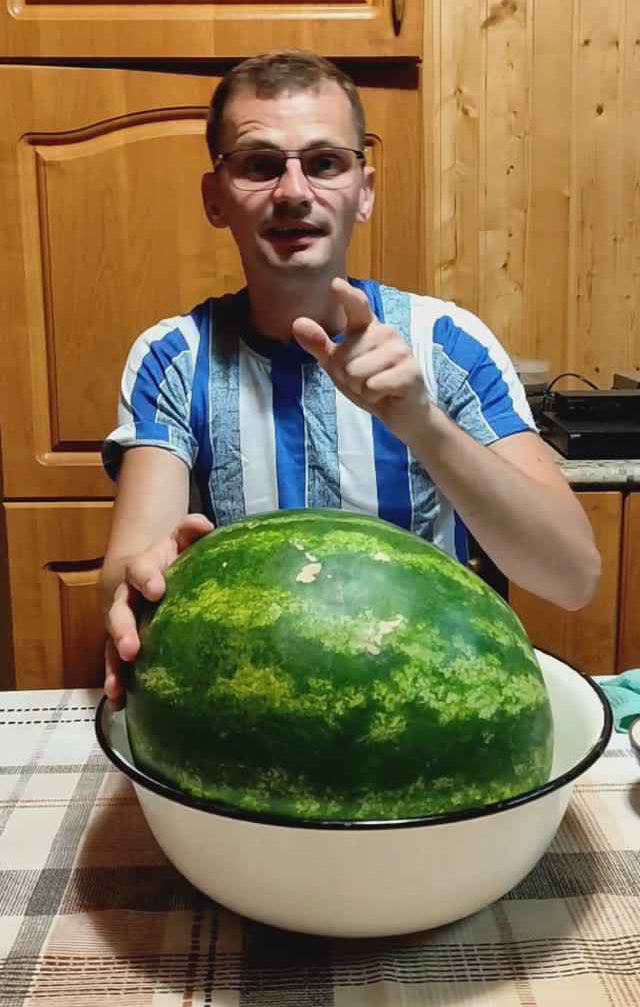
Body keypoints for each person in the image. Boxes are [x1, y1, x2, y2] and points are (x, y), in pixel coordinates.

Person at [100, 49, 600, 702]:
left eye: (325, 163)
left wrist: (423, 423)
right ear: (215, 199)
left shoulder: (448, 345)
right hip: (251, 704)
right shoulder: (174, 357)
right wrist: (135, 585)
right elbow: (128, 567)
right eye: (259, 165)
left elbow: (572, 577)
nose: (293, 192)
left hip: (426, 701)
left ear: (364, 192)